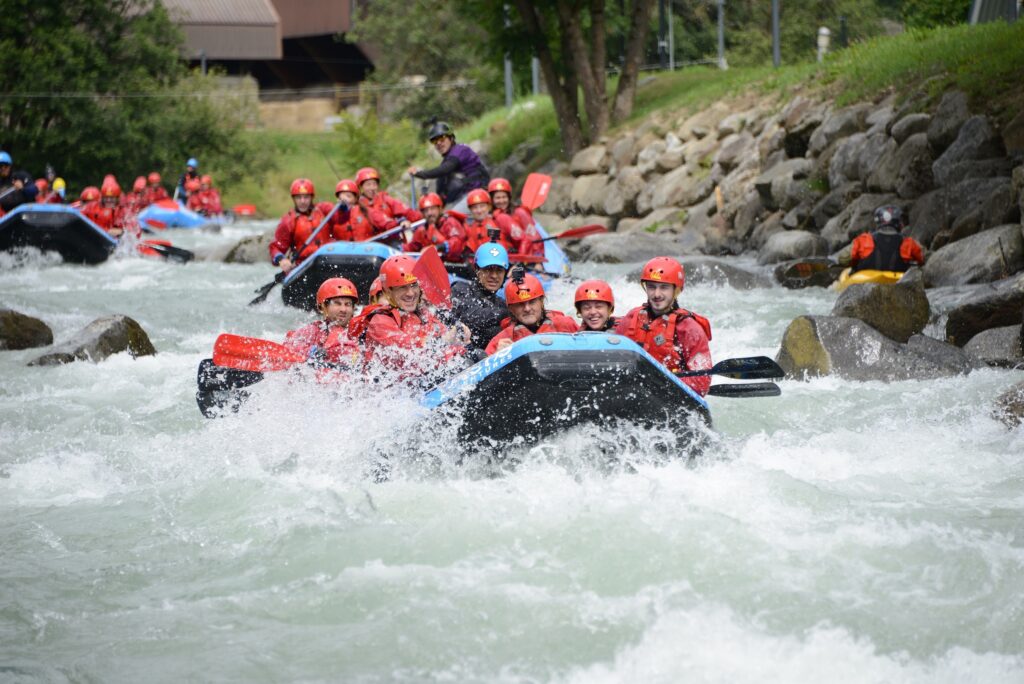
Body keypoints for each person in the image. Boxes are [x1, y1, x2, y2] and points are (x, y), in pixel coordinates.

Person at [615, 257, 712, 397]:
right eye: (651, 287)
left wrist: (658, 383)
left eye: (664, 287)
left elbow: (701, 382)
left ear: (676, 290)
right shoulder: (632, 317)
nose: (657, 294)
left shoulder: (690, 329)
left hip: (668, 398)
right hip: (632, 394)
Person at [363, 254, 467, 375]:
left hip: (422, 379)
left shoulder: (422, 314)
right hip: (396, 387)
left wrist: (461, 343)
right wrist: (443, 341)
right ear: (388, 291)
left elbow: (444, 340)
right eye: (402, 287)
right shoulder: (379, 322)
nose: (411, 293)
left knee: (473, 356)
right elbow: (411, 357)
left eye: (413, 285)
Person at [485, 272, 578, 355]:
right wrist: (497, 357)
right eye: (520, 304)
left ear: (541, 301)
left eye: (532, 302)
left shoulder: (566, 324)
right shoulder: (501, 340)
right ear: (511, 309)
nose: (527, 309)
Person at [407, 120, 490, 205]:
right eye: (434, 141)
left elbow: (445, 169)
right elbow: (441, 186)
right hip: (464, 198)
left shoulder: (461, 150)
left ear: (451, 138)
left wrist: (420, 173)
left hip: (477, 195)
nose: (438, 143)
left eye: (441, 138)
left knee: (450, 216)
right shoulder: (446, 161)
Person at [283, 277, 361, 367]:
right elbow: (290, 348)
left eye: (348, 304)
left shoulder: (359, 332)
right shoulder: (312, 330)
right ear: (322, 307)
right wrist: (314, 351)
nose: (343, 309)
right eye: (337, 303)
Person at [451, 241, 510, 354]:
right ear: (477, 270)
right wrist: (508, 312)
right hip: (464, 359)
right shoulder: (460, 289)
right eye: (488, 269)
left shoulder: (501, 303)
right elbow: (470, 318)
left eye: (499, 270)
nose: (494, 276)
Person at [268, 178, 336, 274]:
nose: (302, 201)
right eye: (299, 198)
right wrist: (281, 259)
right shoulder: (288, 221)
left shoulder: (324, 211)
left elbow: (340, 216)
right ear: (294, 199)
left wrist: (344, 203)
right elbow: (276, 247)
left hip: (328, 262)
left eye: (306, 197)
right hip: (303, 266)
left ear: (311, 197)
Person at [849, 205, 925, 273]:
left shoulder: (865, 239)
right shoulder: (908, 242)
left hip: (867, 280)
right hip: (897, 280)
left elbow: (852, 259)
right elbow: (920, 260)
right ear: (898, 222)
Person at [355, 167, 421, 240]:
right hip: (373, 245)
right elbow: (380, 220)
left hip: (392, 239)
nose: (372, 188)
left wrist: (422, 217)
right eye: (368, 185)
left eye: (374, 184)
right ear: (361, 187)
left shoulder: (383, 198)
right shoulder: (358, 207)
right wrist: (398, 222)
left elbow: (403, 209)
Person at [402, 192, 467, 261]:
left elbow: (457, 243)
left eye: (432, 209)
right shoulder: (422, 230)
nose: (429, 213)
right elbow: (411, 247)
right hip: (435, 266)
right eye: (426, 211)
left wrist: (438, 247)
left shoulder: (450, 222)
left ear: (439, 208)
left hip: (455, 265)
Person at [489, 177, 542, 256]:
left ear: (509, 198)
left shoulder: (520, 212)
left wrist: (538, 260)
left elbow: (534, 238)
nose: (501, 201)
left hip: (526, 256)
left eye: (504, 197)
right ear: (491, 199)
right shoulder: (491, 216)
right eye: (498, 198)